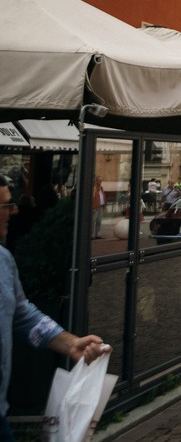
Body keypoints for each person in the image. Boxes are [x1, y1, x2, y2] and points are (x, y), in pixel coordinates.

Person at [0, 179, 108, 437]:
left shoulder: (4, 260)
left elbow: (22, 314)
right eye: (7, 205)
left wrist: (70, 343)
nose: (14, 211)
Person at [91, 174, 105, 239]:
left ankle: (97, 234)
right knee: (94, 221)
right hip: (96, 207)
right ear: (96, 181)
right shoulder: (94, 188)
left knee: (99, 221)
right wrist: (93, 206)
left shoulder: (101, 188)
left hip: (101, 206)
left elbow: (103, 197)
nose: (100, 181)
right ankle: (92, 235)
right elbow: (93, 198)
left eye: (101, 180)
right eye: (99, 180)